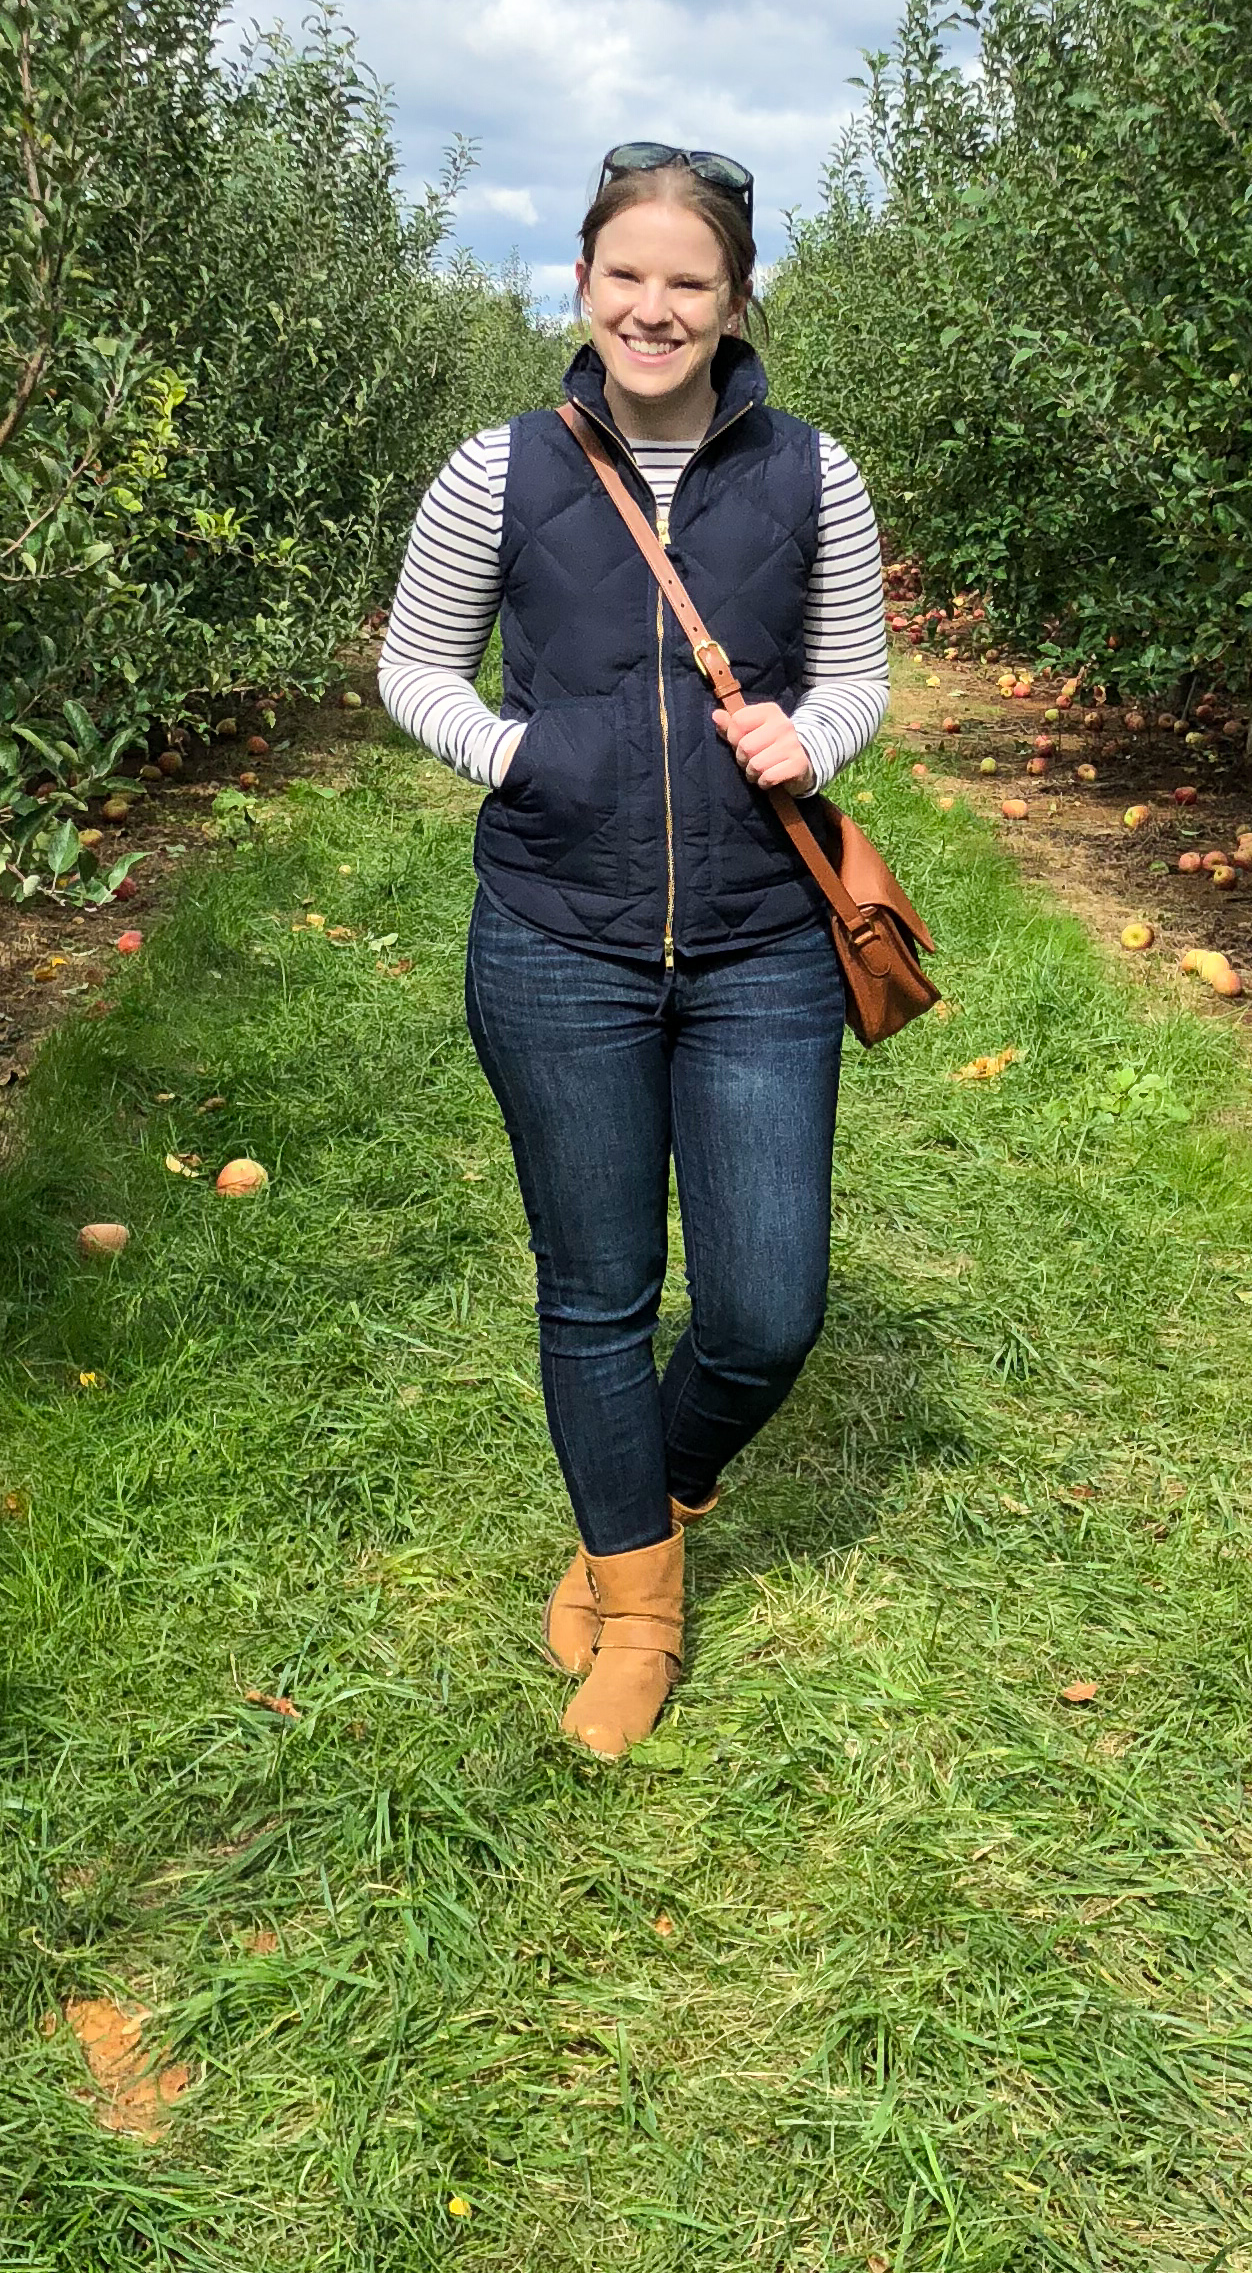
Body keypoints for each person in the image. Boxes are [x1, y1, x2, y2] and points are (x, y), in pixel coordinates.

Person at [379, 145, 892, 1761]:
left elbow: (859, 677)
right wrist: (527, 759)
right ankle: (639, 1607)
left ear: (735, 302)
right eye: (627, 276)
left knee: (764, 1312)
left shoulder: (815, 475)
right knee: (597, 1293)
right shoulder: (500, 469)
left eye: (690, 282)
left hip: (760, 947)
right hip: (556, 941)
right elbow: (412, 668)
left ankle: (645, 1496)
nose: (654, 309)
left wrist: (810, 741)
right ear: (582, 285)